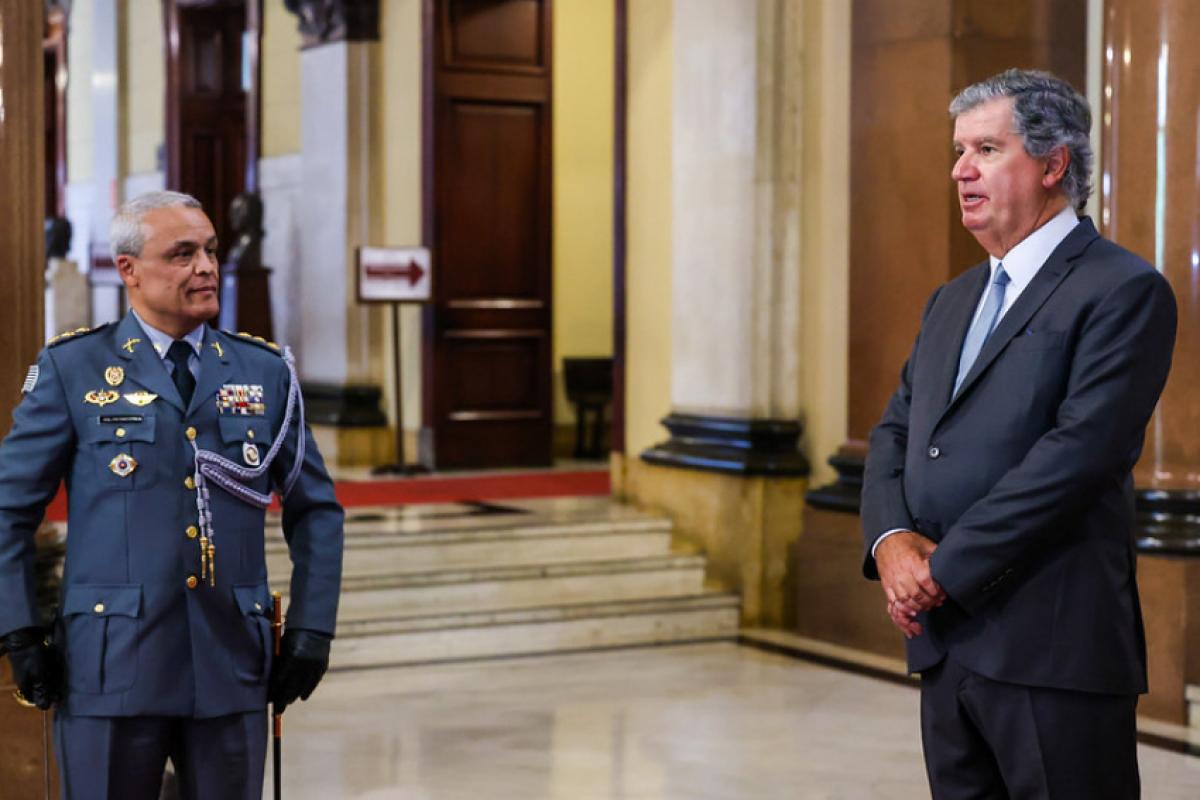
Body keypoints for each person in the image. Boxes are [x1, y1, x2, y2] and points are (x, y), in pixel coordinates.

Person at [861, 69, 1176, 797]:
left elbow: (1077, 457)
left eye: (986, 149)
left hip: (1051, 646)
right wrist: (893, 545)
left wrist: (940, 571)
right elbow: (897, 431)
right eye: (959, 150)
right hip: (946, 645)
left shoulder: (1121, 290)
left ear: (1053, 163)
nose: (960, 170)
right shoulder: (954, 298)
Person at [0, 191, 344, 799]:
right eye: (182, 254)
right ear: (129, 269)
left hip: (231, 663)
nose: (206, 267)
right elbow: (8, 511)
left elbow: (315, 510)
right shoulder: (74, 369)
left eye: (209, 250)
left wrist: (313, 630)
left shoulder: (262, 371)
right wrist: (18, 632)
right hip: (111, 666)